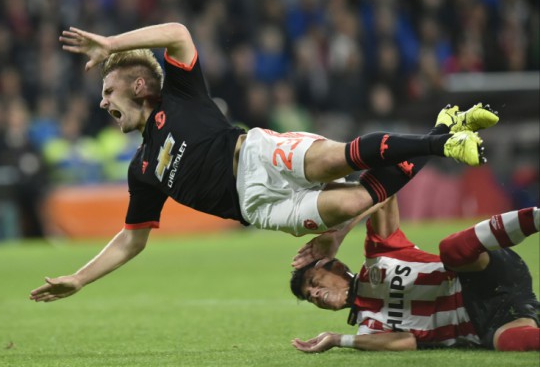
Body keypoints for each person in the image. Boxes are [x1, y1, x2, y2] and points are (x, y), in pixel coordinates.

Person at [29, 22, 498, 303]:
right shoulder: (142, 169)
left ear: (137, 87)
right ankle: (441, 132)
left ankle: (440, 145)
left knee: (334, 160)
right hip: (255, 209)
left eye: (107, 91)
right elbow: (131, 241)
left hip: (254, 153)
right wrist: (79, 279)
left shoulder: (180, 93)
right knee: (353, 203)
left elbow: (177, 33)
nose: (101, 103)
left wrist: (111, 43)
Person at [289, 195, 540, 352]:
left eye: (313, 282)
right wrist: (336, 339)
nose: (315, 294)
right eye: (310, 297)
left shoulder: (379, 255)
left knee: (450, 250)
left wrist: (338, 233)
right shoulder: (369, 328)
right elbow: (405, 342)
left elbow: (383, 193)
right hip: (487, 323)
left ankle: (535, 218)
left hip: (481, 274)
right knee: (509, 343)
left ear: (337, 266)